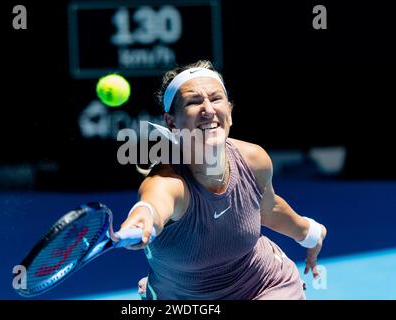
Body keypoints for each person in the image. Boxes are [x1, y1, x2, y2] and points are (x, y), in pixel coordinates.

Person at [118, 60, 327, 299]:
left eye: (216, 99)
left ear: (229, 110)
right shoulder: (168, 182)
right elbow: (152, 206)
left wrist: (310, 233)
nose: (208, 109)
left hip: (263, 285)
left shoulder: (254, 159)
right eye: (194, 102)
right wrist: (142, 219)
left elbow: (268, 208)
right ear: (171, 121)